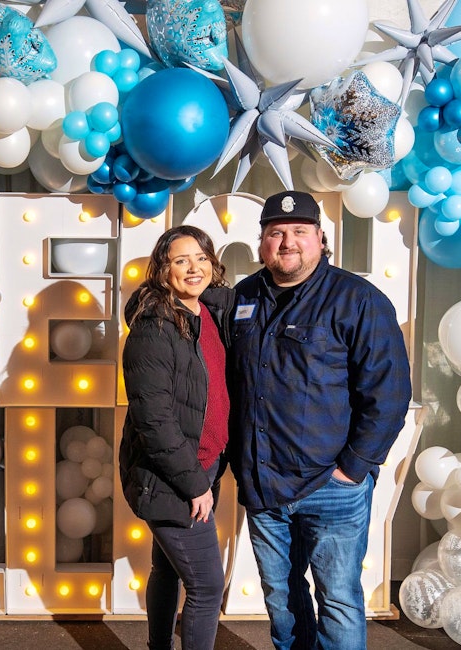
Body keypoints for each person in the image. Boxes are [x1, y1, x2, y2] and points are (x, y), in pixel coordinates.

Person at [228, 191, 412, 650]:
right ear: (262, 243)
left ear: (320, 239)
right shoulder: (243, 296)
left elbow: (389, 393)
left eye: (299, 232)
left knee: (339, 601)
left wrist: (353, 468)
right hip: (263, 485)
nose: (287, 242)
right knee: (283, 602)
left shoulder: (358, 300)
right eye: (276, 233)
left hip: (332, 487)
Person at [119, 225, 234, 650]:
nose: (193, 268)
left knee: (167, 569)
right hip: (173, 475)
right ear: (162, 270)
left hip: (203, 465)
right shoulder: (155, 327)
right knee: (206, 586)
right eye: (180, 260)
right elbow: (155, 419)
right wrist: (193, 482)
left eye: (201, 258)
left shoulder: (205, 313)